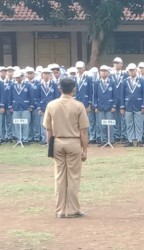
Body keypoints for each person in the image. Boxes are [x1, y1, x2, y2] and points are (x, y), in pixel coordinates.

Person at [43, 77, 89, 218]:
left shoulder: (51, 105)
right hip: (73, 142)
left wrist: (49, 146)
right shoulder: (79, 105)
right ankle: (73, 209)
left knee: (59, 177)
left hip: (57, 142)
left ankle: (60, 210)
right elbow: (83, 131)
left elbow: (48, 129)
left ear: (59, 88)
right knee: (73, 177)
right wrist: (85, 149)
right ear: (74, 89)